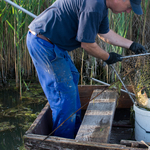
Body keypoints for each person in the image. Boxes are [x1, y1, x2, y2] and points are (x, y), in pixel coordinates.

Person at [26, 0, 147, 139]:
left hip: (55, 45)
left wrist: (131, 45)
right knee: (64, 95)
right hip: (43, 43)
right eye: (129, 7)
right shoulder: (94, 6)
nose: (128, 11)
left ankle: (76, 131)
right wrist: (108, 57)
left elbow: (105, 33)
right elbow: (87, 44)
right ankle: (63, 141)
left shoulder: (101, 6)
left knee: (73, 76)